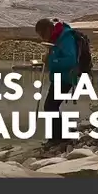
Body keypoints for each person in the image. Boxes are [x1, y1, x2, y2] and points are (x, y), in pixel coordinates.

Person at [35, 18, 78, 148]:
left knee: (50, 106)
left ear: (48, 29)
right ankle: (60, 136)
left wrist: (52, 62)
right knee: (52, 106)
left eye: (42, 34)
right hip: (60, 77)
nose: (43, 38)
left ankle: (57, 138)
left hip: (66, 77)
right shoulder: (56, 38)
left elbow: (70, 60)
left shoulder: (65, 37)